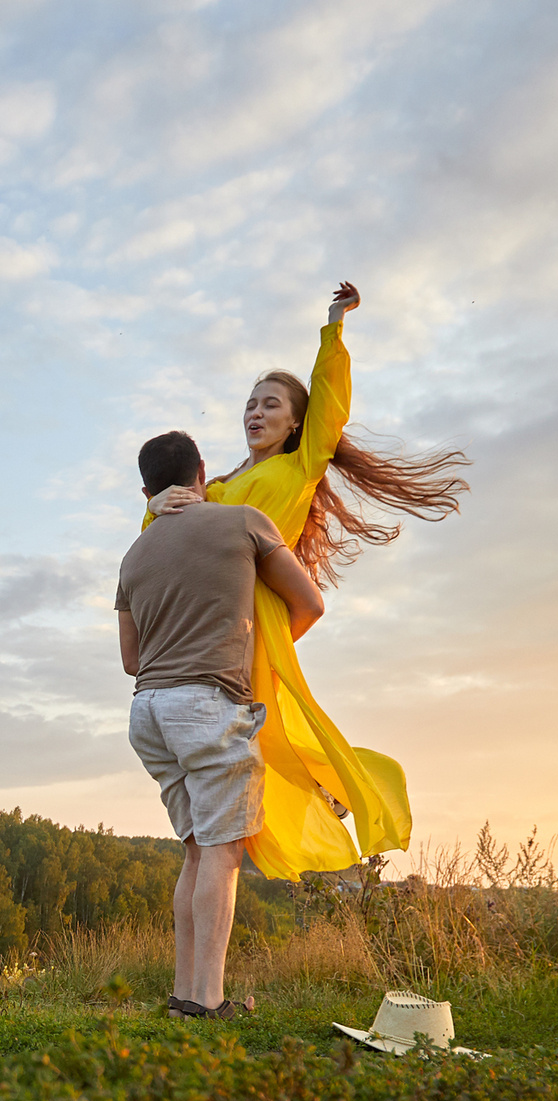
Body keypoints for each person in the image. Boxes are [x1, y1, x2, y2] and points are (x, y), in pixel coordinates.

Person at [144, 284, 468, 886]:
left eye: (271, 404)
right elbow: (165, 534)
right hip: (218, 620)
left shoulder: (297, 466)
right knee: (266, 736)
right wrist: (157, 501)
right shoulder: (215, 487)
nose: (255, 412)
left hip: (256, 613)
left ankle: (329, 794)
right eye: (250, 403)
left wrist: (333, 330)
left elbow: (330, 410)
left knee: (271, 730)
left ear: (295, 423)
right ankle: (321, 794)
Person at [118, 429, 325, 1018]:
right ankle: (208, 1002)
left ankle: (185, 994)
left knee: (196, 852)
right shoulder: (244, 522)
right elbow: (309, 604)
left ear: (146, 490)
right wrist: (262, 655)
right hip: (208, 705)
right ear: (203, 471)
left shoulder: (134, 555)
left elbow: (131, 660)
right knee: (223, 855)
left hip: (149, 712)